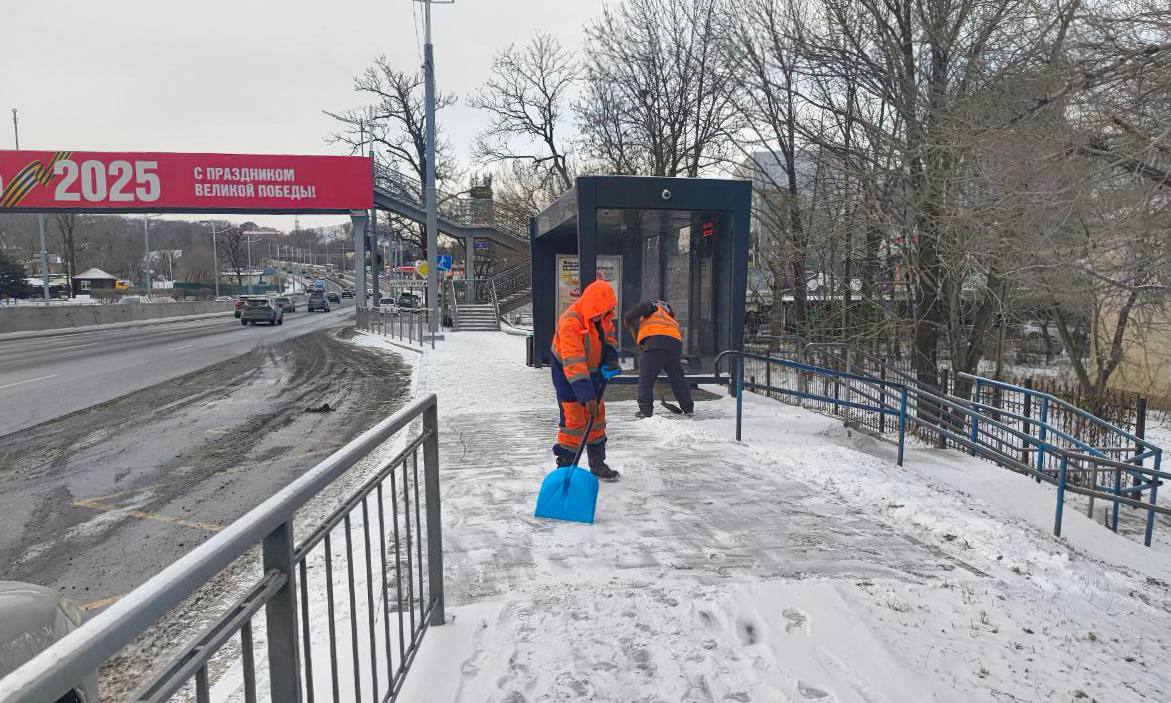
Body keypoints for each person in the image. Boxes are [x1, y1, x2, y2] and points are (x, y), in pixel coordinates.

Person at [550, 278, 621, 480]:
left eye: (605, 311)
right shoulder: (570, 322)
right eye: (600, 312)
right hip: (569, 376)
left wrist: (610, 359)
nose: (603, 315)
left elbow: (609, 339)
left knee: (596, 419)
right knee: (574, 422)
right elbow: (573, 361)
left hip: (594, 373)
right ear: (591, 306)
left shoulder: (603, 317)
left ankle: (597, 465)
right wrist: (586, 396)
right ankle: (565, 470)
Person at [624, 299, 694, 418]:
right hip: (674, 344)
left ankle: (645, 411)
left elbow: (636, 311)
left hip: (655, 342)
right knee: (677, 377)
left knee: (646, 378)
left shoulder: (651, 305)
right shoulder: (668, 315)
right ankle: (688, 408)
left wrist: (628, 319)